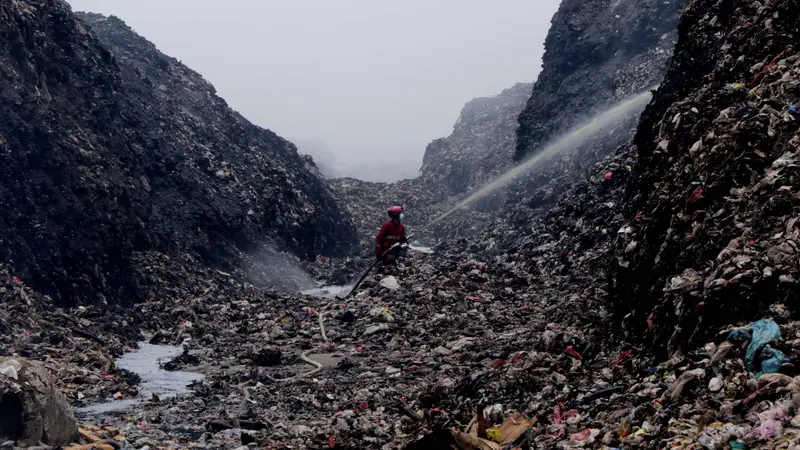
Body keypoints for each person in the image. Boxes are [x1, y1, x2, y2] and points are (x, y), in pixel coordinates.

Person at [375, 205, 407, 273]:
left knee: (394, 267)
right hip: (386, 251)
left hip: (395, 251)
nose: (402, 215)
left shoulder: (401, 227)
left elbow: (402, 239)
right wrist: (378, 253)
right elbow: (379, 239)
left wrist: (403, 241)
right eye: (400, 213)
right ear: (396, 215)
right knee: (386, 267)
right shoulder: (387, 225)